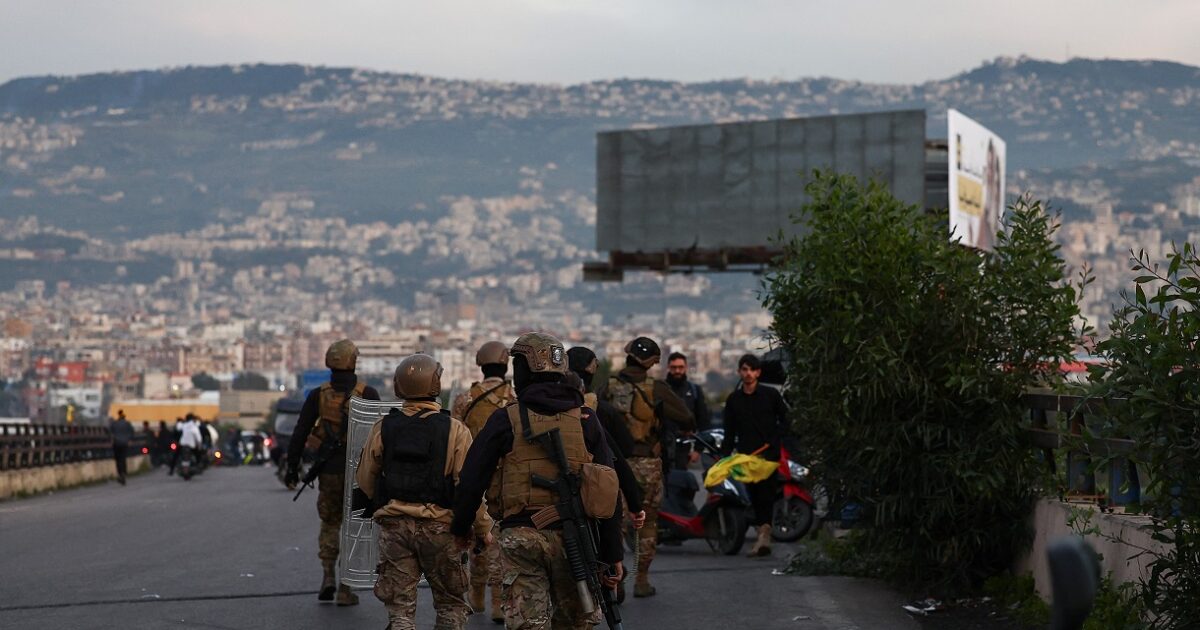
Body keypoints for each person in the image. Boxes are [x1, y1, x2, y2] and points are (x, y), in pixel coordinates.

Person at [451, 332, 624, 630]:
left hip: (523, 537)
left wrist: (461, 529)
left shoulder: (506, 419)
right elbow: (608, 490)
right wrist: (612, 554)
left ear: (524, 372)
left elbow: (471, 479)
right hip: (576, 543)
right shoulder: (586, 418)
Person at [355, 354, 492, 630]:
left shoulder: (384, 427)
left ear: (398, 386)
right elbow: (468, 488)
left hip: (395, 528)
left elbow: (366, 479)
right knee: (451, 605)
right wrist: (482, 529)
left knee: (400, 611)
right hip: (441, 529)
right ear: (435, 384)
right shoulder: (455, 430)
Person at [284, 339, 381, 606]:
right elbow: (381, 437)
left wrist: (292, 468)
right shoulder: (368, 394)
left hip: (328, 472)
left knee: (329, 524)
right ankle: (345, 588)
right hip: (360, 477)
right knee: (354, 529)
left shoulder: (319, 395)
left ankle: (327, 576)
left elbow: (300, 432)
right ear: (353, 361)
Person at [596, 336, 693, 598]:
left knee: (613, 521)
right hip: (647, 463)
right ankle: (641, 579)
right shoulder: (657, 388)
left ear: (627, 356)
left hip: (614, 464)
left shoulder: (608, 387)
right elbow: (685, 416)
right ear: (651, 363)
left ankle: (615, 576)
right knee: (647, 522)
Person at [450, 341, 515, 623]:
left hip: (474, 474)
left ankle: (476, 596)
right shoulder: (514, 398)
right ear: (505, 365)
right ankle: (499, 602)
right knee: (499, 537)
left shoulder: (465, 399)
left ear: (481, 364)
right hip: (506, 476)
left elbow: (454, 435)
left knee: (480, 535)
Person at [565, 346, 645, 527]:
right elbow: (623, 452)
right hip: (600, 494)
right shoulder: (602, 410)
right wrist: (635, 505)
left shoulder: (550, 408)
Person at [720, 353, 789, 557]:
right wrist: (724, 458)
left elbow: (785, 420)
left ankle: (763, 537)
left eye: (752, 369)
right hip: (745, 457)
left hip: (768, 456)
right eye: (744, 369)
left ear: (758, 372)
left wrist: (775, 443)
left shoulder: (771, 395)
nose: (748, 373)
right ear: (740, 372)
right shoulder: (734, 400)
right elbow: (729, 431)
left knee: (766, 495)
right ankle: (761, 535)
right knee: (750, 496)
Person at [664, 351, 711, 471]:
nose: (677, 371)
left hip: (685, 448)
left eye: (680, 367)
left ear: (686, 368)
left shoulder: (694, 391)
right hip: (663, 447)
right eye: (674, 368)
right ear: (668, 368)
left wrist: (698, 450)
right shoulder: (661, 390)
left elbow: (703, 421)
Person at [110, 410, 134, 485]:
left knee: (118, 459)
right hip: (124, 443)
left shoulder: (114, 424)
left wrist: (112, 440)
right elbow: (132, 432)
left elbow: (110, 432)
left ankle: (120, 474)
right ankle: (124, 473)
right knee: (123, 458)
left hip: (116, 443)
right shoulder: (127, 424)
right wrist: (129, 440)